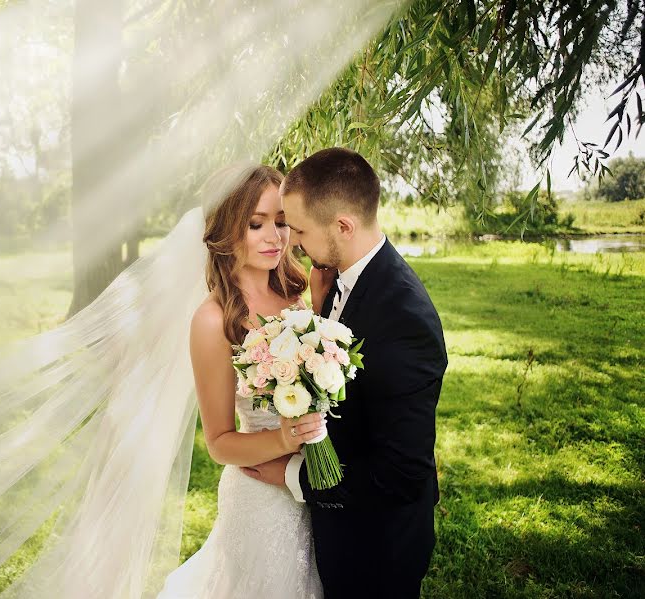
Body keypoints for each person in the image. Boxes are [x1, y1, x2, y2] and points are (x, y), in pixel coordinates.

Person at [242, 147, 448, 598]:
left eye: (298, 229)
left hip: (376, 553)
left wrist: (292, 475)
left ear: (343, 226)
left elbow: (400, 474)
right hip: (339, 538)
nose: (290, 241)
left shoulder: (405, 322)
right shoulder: (336, 276)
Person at [158, 163, 326, 598]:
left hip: (313, 490)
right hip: (260, 498)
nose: (275, 237)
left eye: (282, 222)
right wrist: (286, 442)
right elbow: (218, 442)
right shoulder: (212, 321)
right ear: (227, 230)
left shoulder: (297, 292)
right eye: (256, 224)